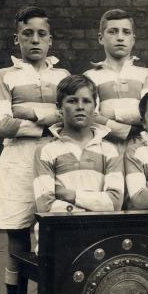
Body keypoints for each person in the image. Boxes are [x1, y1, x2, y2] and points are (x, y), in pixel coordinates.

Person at [0, 6, 70, 294]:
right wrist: (49, 118)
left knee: (58, 236)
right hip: (19, 163)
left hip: (56, 159)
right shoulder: (4, 76)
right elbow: (1, 126)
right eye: (27, 34)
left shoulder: (64, 76)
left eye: (41, 34)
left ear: (50, 39)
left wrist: (28, 112)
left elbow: (71, 118)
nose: (35, 40)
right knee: (17, 241)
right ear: (17, 39)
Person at [33, 74, 124, 214]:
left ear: (94, 107)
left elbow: (114, 204)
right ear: (60, 107)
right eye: (72, 101)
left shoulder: (110, 150)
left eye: (86, 101)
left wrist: (68, 194)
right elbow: (46, 206)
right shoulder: (46, 150)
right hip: (59, 231)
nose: (80, 107)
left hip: (100, 231)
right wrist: (93, 208)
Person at [84, 9, 148, 154]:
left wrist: (109, 115)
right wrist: (128, 128)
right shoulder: (90, 76)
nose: (120, 37)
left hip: (141, 147)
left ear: (133, 39)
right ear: (101, 38)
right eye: (113, 32)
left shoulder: (146, 74)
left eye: (126, 32)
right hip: (103, 147)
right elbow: (90, 117)